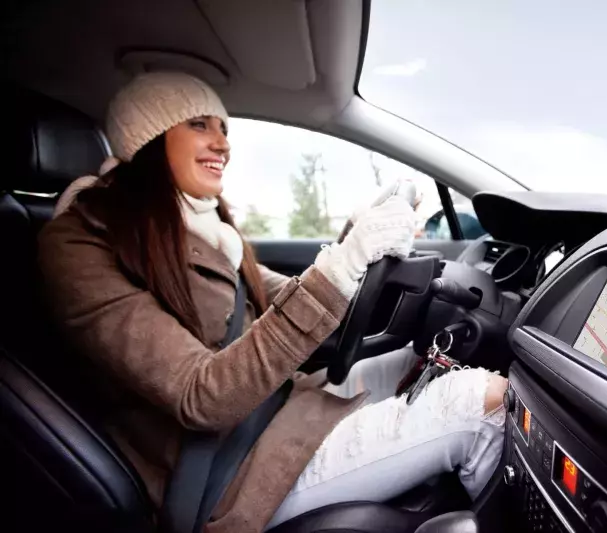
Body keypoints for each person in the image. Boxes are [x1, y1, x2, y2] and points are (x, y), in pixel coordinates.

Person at [39, 72, 507, 533]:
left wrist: (353, 242)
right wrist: (341, 266)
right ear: (149, 137)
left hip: (281, 409)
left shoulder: (207, 230)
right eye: (199, 125)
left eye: (224, 128)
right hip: (228, 474)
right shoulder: (81, 245)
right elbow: (202, 396)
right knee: (482, 402)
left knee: (426, 363)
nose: (223, 144)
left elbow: (283, 298)